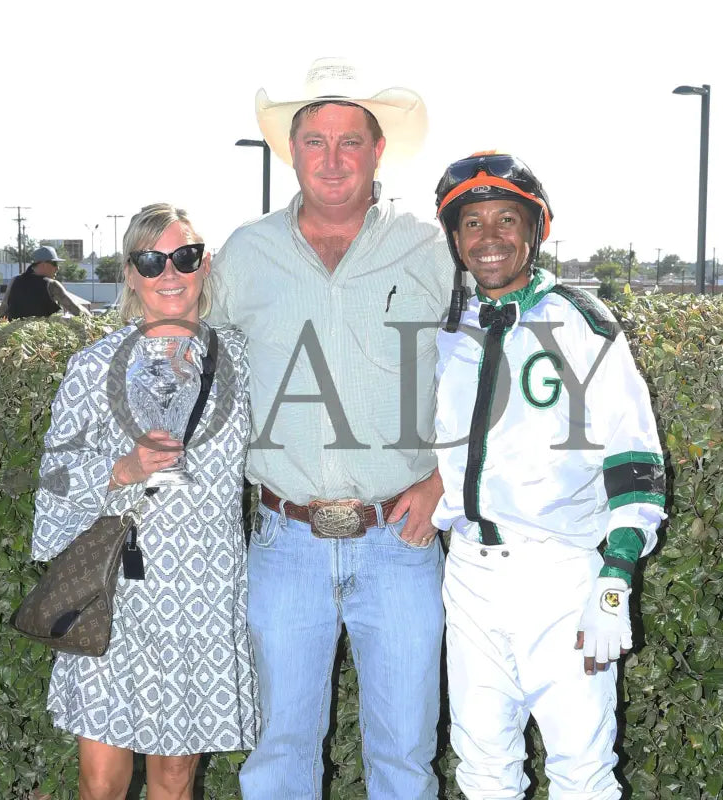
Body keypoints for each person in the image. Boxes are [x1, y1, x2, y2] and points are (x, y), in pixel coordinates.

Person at [210, 58, 457, 799]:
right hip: (285, 543)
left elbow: (485, 377)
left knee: (405, 758)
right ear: (292, 151)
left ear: (378, 150)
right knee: (278, 756)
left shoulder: (431, 250)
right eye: (315, 141)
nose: (333, 159)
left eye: (350, 141)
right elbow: (192, 366)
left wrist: (443, 479)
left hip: (401, 544)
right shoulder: (246, 253)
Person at [431, 151, 667, 799]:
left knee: (582, 773)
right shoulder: (443, 327)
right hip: (468, 575)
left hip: (560, 575)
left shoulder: (582, 322)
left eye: (506, 219)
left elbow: (634, 460)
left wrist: (615, 578)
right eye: (472, 223)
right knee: (482, 768)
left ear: (536, 229)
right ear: (454, 239)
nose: (489, 237)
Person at [32, 204, 257, 800]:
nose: (170, 273)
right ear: (131, 274)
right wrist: (122, 469)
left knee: (176, 775)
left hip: (204, 592)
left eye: (184, 256)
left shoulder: (242, 360)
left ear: (204, 265)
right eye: (152, 261)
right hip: (119, 590)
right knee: (102, 780)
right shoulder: (93, 367)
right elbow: (54, 482)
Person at [0, 245, 90, 320]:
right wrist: (92, 319)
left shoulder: (14, 281)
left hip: (16, 334)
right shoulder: (51, 285)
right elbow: (75, 309)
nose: (57, 268)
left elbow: (2, 311)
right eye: (55, 264)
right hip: (42, 334)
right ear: (43, 264)